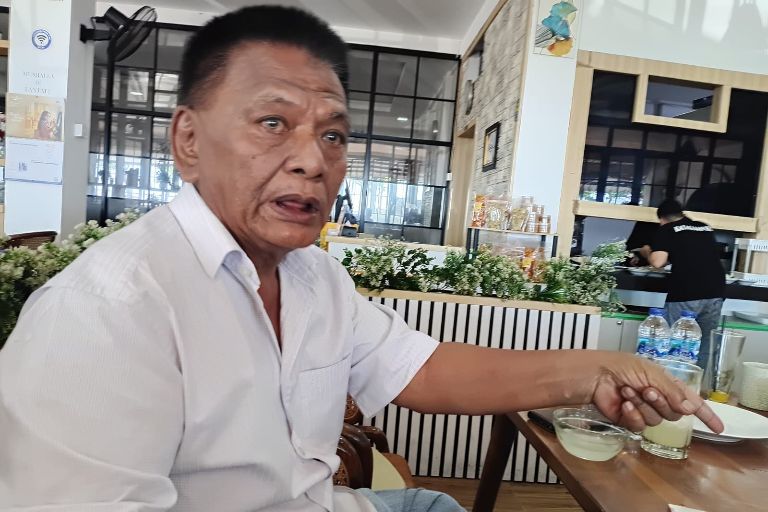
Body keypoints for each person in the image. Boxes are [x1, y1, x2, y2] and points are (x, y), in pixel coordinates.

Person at [0, 6, 722, 512]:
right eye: (273, 122)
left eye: (334, 136)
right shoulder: (106, 310)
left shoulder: (314, 276)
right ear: (187, 140)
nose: (313, 161)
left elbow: (424, 369)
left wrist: (596, 370)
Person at [638, 199, 726, 368]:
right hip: (716, 292)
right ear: (681, 214)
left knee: (673, 343)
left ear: (662, 219)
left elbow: (657, 262)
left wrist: (646, 252)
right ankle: (696, 382)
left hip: (687, 291)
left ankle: (670, 382)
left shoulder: (667, 229)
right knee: (704, 345)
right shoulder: (704, 227)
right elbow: (692, 254)